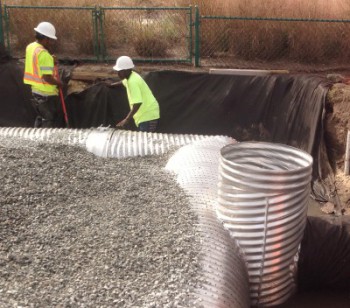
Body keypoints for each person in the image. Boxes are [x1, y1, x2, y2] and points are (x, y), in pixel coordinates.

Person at [24, 21, 64, 128]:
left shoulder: (31, 47)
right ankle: (45, 143)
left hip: (35, 91)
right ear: (45, 38)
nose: (51, 43)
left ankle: (36, 139)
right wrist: (59, 83)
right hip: (46, 93)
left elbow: (37, 63)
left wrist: (51, 60)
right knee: (48, 121)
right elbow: (47, 78)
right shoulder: (44, 55)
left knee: (41, 118)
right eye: (50, 40)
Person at [110, 56, 160, 132]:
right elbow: (123, 82)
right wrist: (111, 85)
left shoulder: (133, 82)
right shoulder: (131, 75)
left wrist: (126, 120)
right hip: (147, 114)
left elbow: (137, 103)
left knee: (145, 140)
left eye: (120, 71)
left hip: (147, 116)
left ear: (126, 70)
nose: (118, 74)